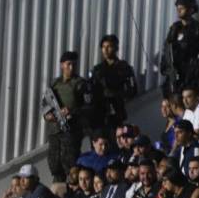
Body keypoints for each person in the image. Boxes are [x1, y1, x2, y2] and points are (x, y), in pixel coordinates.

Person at [41, 51, 91, 183]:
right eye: (68, 64)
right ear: (62, 65)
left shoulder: (80, 83)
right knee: (54, 163)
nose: (71, 67)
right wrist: (47, 115)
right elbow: (45, 102)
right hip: (55, 130)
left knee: (70, 163)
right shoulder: (55, 84)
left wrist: (71, 111)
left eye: (74, 64)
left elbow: (88, 106)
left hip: (71, 130)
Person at [90, 34, 138, 141]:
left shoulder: (124, 67)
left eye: (109, 46)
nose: (106, 50)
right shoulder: (97, 70)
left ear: (116, 48)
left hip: (116, 113)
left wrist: (116, 94)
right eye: (103, 47)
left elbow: (132, 90)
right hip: (99, 115)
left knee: (115, 143)